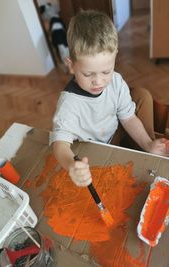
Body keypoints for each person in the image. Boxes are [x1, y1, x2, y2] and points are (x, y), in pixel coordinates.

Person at [49, 10, 169, 187]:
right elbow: (59, 144)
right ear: (71, 65)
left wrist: (148, 144)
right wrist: (72, 166)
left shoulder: (116, 81)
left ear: (115, 57)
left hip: (114, 133)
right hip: (93, 152)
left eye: (106, 71)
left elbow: (128, 118)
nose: (98, 81)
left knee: (141, 95)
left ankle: (148, 153)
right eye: (88, 73)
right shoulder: (69, 104)